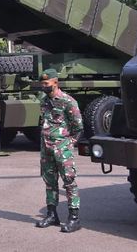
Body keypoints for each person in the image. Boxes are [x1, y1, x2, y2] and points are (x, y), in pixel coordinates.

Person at [35, 68, 83, 233]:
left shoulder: (68, 101)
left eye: (46, 83)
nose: (44, 86)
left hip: (62, 149)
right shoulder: (44, 101)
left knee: (69, 182)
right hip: (46, 148)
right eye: (42, 83)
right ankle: (52, 215)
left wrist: (68, 144)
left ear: (56, 82)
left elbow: (78, 127)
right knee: (49, 182)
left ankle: (74, 218)